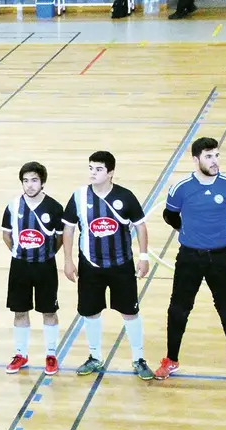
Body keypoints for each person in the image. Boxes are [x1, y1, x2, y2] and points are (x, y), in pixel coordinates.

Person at [158, 137, 226, 384]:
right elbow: (170, 215)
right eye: (209, 156)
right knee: (178, 309)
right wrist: (188, 231)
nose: (215, 161)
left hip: (220, 257)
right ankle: (171, 359)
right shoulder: (181, 188)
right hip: (188, 257)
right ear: (196, 159)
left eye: (217, 155)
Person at [62, 151, 154, 380]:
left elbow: (141, 226)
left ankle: (138, 359)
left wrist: (143, 256)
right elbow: (69, 229)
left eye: (99, 169)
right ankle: (95, 356)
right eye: (91, 168)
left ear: (111, 172)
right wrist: (68, 260)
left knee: (130, 312)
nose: (93, 173)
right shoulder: (79, 196)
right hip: (90, 265)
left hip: (121, 265)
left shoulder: (125, 196)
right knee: (90, 312)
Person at [1, 162, 64, 375]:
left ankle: (51, 354)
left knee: (49, 310)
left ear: (42, 182)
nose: (29, 185)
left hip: (46, 265)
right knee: (20, 310)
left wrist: (46, 255)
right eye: (26, 181)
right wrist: (19, 253)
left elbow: (59, 238)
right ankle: (21, 354)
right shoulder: (13, 206)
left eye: (34, 180)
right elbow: (7, 235)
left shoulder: (54, 208)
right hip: (20, 265)